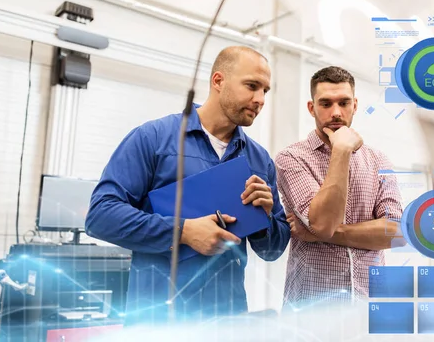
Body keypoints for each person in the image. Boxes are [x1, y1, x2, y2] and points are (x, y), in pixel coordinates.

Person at [85, 46, 291, 325]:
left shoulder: (259, 160)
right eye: (252, 86)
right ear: (218, 81)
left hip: (227, 321)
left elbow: (272, 251)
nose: (260, 99)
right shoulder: (154, 139)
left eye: (265, 90)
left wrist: (265, 217)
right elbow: (101, 216)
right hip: (159, 321)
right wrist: (182, 231)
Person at [275, 66, 404, 308]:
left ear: (355, 105)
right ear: (311, 108)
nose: (336, 112)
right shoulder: (291, 158)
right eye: (325, 104)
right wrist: (342, 151)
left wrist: (325, 234)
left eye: (344, 103)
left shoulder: (378, 160)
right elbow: (323, 222)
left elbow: (397, 233)